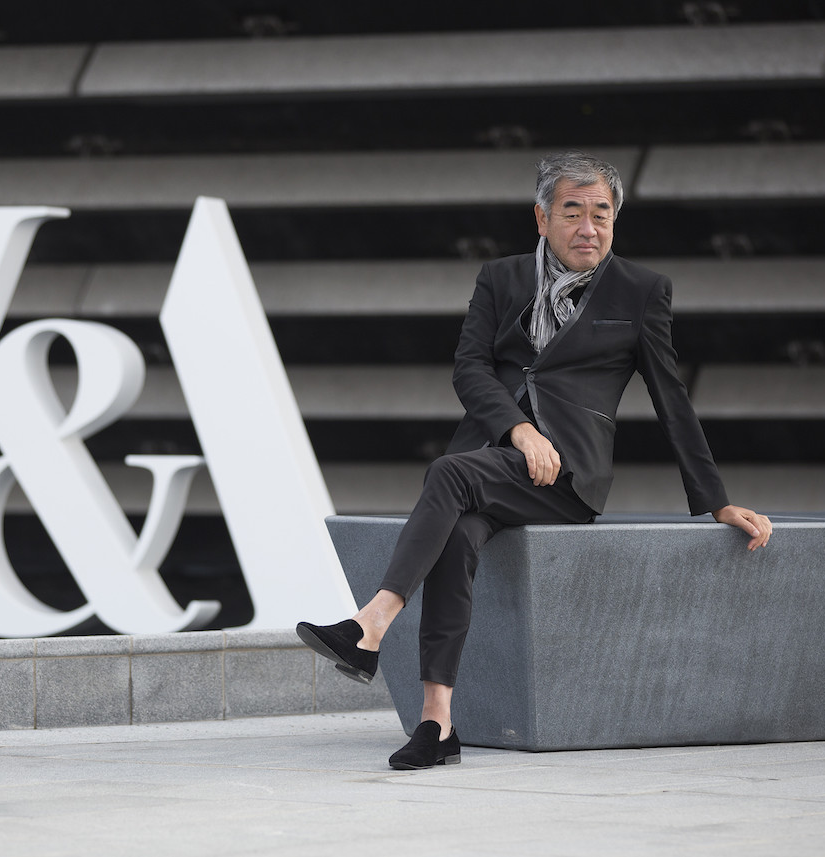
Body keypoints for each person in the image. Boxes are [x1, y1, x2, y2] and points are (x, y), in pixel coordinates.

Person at [296, 152, 772, 771]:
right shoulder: (501, 278)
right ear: (542, 219)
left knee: (448, 472)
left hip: (568, 476)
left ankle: (371, 624)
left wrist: (716, 501)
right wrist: (518, 430)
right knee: (456, 537)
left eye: (601, 213)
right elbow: (469, 368)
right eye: (572, 212)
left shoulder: (641, 290)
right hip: (494, 457)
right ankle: (437, 723)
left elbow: (671, 399)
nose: (588, 227)